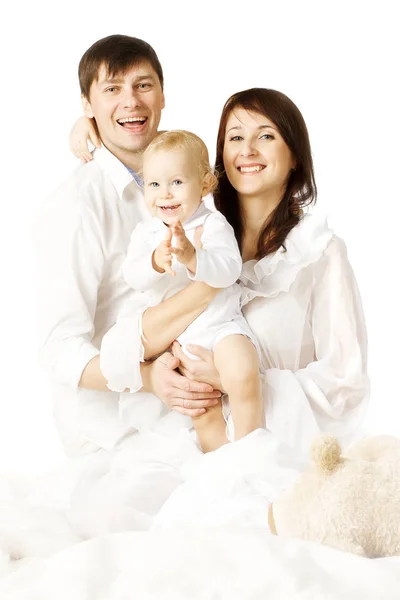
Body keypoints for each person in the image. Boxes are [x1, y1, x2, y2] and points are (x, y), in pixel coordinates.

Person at [70, 87, 369, 454]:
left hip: (278, 453)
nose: (248, 150)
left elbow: (346, 383)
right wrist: (89, 125)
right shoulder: (184, 224)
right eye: (235, 137)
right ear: (218, 160)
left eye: (266, 136)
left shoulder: (319, 253)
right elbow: (158, 158)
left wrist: (237, 382)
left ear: (295, 155)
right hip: (176, 448)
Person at [34, 34, 222, 457]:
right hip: (114, 432)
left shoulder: (182, 167)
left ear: (162, 94)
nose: (131, 101)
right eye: (112, 89)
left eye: (143, 86)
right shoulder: (76, 206)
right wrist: (146, 377)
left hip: (191, 406)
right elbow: (59, 348)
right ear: (86, 105)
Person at [100, 129, 264, 452]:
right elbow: (132, 275)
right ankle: (220, 463)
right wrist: (154, 263)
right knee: (201, 407)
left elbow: (229, 268)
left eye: (176, 182)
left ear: (204, 184)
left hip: (222, 326)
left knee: (243, 370)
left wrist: (194, 257)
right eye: (154, 184)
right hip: (182, 340)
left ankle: (251, 447)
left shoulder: (213, 225)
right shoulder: (146, 234)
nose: (165, 195)